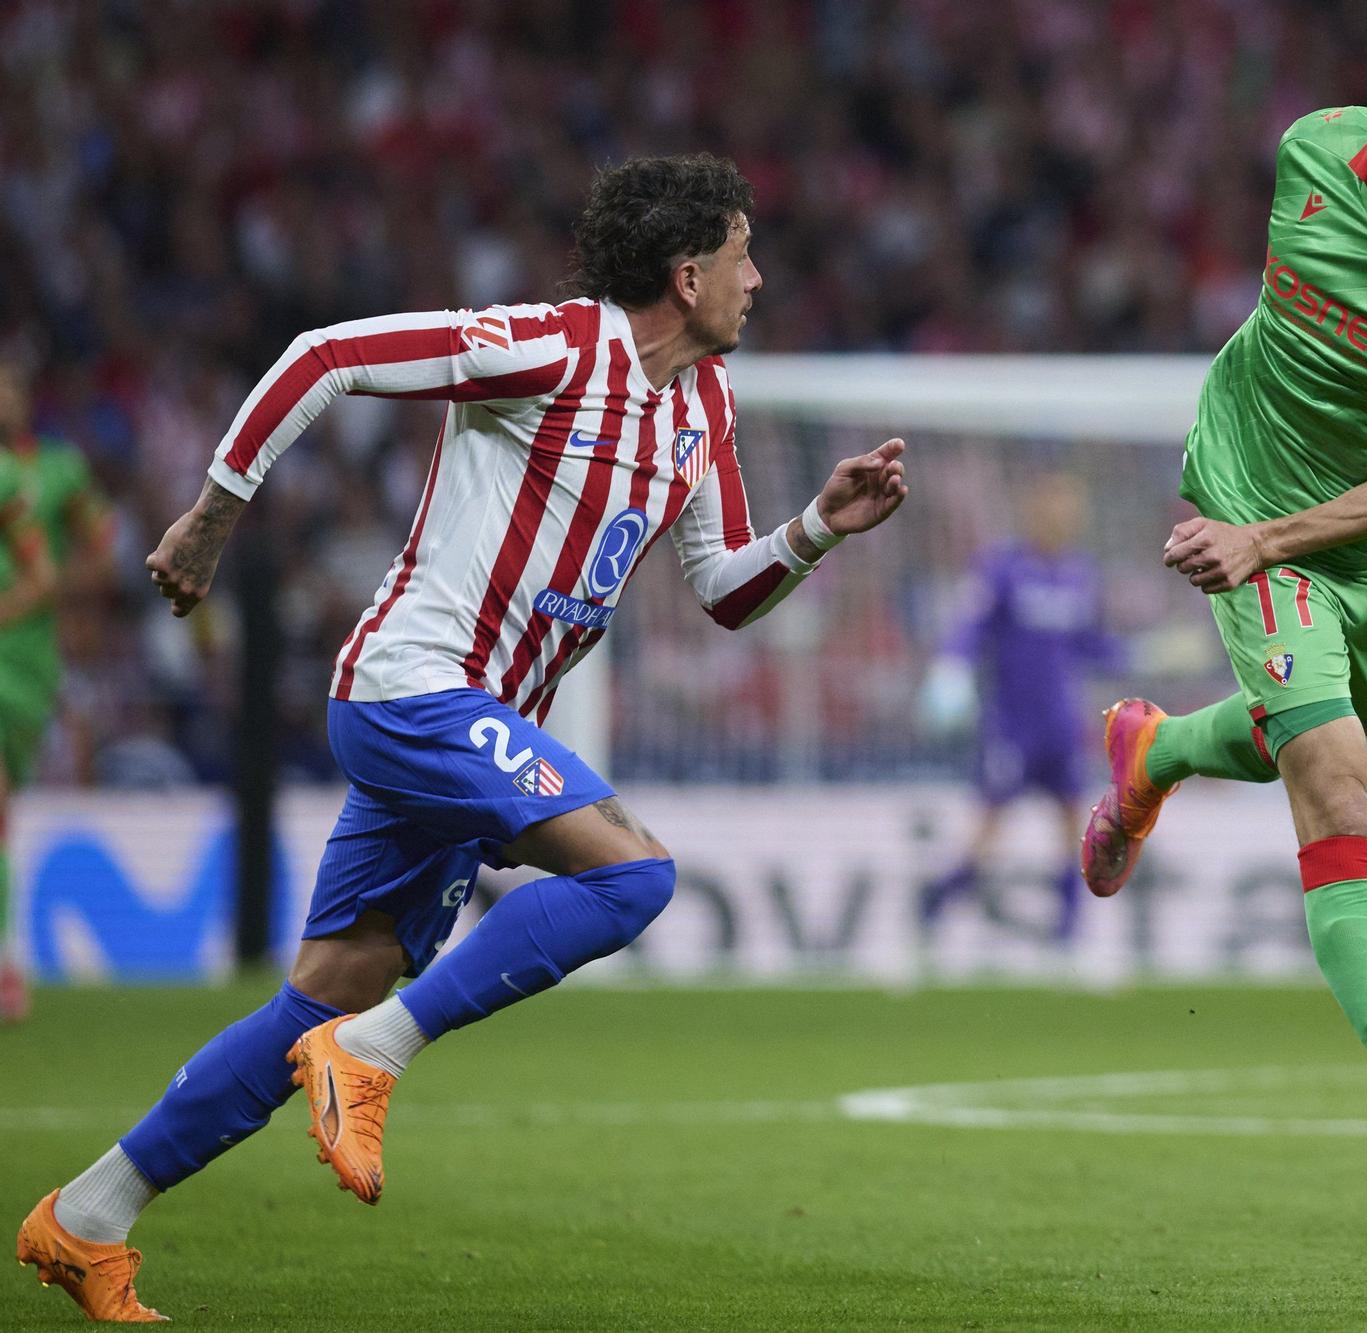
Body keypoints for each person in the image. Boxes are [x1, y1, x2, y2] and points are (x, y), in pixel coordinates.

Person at [16, 153, 909, 1322]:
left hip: (475, 728)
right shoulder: (550, 346)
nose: (761, 277)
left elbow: (723, 589)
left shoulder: (701, 407)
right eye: (745, 254)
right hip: (412, 692)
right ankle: (377, 1054)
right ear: (687, 275)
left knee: (318, 1002)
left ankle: (86, 1217)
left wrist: (814, 530)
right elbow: (325, 357)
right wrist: (211, 513)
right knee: (633, 875)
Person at [1078, 40, 1367, 1203]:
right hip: (1248, 501)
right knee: (1333, 782)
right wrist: (1252, 537)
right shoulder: (1311, 149)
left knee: (1319, 727)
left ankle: (1160, 750)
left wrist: (1291, 542)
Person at [916, 474, 1123, 943]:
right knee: (989, 831)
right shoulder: (1002, 568)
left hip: (1062, 726)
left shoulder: (1079, 573)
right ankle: (937, 904)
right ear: (1034, 512)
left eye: (1071, 509)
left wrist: (1137, 653)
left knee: (1075, 826)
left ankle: (1068, 931)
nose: (1064, 518)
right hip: (1012, 725)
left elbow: (1090, 644)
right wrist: (951, 667)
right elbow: (971, 625)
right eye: (1055, 507)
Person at [0, 362, 112, 1024]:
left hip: (23, 660)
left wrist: (38, 596)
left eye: (11, 382)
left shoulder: (57, 471)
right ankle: (8, 968)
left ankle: (7, 966)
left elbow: (99, 554)